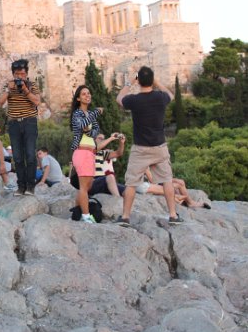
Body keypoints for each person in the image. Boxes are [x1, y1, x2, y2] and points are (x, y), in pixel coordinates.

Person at [116, 66, 182, 226]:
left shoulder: (134, 100)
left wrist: (129, 82)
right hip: (159, 146)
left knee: (131, 183)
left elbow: (119, 99)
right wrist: (157, 82)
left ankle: (125, 217)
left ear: (139, 81)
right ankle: (173, 215)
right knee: (166, 180)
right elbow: (171, 95)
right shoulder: (160, 97)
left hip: (140, 149)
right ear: (151, 80)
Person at [0, 58, 41, 196]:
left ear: (26, 74)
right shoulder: (8, 85)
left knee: (30, 154)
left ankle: (30, 186)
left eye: (22, 74)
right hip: (14, 123)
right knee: (18, 156)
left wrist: (25, 90)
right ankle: (21, 186)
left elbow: (37, 101)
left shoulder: (32, 85)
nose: (20, 77)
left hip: (29, 122)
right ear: (13, 74)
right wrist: (8, 91)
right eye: (17, 74)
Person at [70, 85, 104, 223]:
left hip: (90, 152)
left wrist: (88, 130)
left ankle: (78, 211)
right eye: (83, 94)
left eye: (88, 93)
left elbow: (95, 131)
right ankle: (85, 216)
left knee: (88, 186)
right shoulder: (77, 114)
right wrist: (95, 112)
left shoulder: (88, 114)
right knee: (84, 186)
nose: (87, 95)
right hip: (81, 151)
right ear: (78, 98)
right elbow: (82, 126)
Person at [136, 168, 211, 208]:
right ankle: (189, 202)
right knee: (178, 185)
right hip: (153, 183)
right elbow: (152, 180)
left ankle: (185, 200)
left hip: (158, 180)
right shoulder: (144, 163)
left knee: (180, 182)